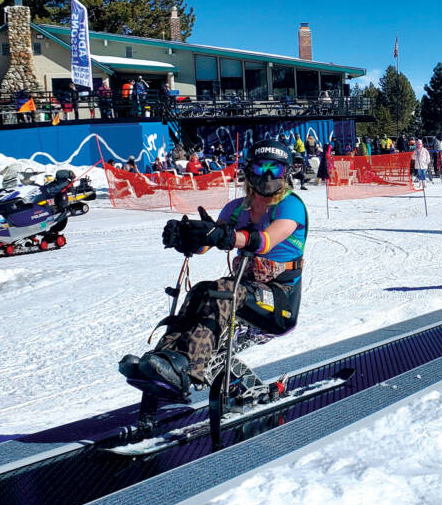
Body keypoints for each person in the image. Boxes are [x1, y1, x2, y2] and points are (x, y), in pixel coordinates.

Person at [119, 140, 307, 399]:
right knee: (200, 291)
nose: (266, 175)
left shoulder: (291, 205)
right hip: (247, 287)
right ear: (249, 170)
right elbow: (209, 242)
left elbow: (265, 241)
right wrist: (190, 237)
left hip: (280, 300)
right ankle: (163, 360)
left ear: (285, 173)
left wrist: (226, 237)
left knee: (223, 292)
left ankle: (189, 369)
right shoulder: (237, 209)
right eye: (260, 167)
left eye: (274, 169)